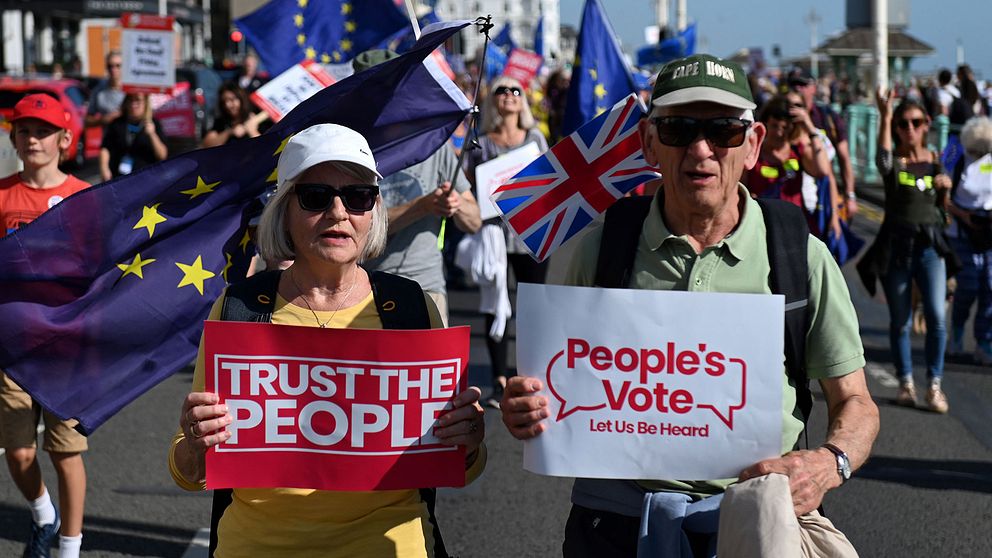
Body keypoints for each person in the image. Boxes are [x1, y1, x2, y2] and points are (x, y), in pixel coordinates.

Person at [500, 54, 879, 556]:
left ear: (753, 145)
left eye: (724, 130)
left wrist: (831, 463)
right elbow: (547, 391)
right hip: (618, 522)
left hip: (758, 521)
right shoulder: (600, 247)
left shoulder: (799, 255)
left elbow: (855, 400)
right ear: (649, 143)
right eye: (678, 129)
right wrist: (525, 409)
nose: (701, 150)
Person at [168, 123, 486, 557]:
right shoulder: (239, 307)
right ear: (284, 211)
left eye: (357, 197)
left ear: (373, 210)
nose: (339, 212)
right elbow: (189, 471)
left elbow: (460, 463)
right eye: (316, 197)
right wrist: (195, 441)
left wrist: (469, 441)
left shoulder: (412, 308)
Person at [0, 94, 92, 558]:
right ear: (13, 139)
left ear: (65, 139)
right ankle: (43, 516)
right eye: (23, 130)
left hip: (66, 348)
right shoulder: (1, 195)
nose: (32, 139)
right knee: (17, 452)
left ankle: (69, 549)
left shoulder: (83, 196)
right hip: (12, 347)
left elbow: (104, 264)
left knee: (65, 452)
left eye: (42, 131)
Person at [353, 50, 482, 325]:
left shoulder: (433, 145)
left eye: (393, 87)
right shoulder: (351, 151)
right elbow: (362, 231)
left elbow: (474, 222)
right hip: (363, 290)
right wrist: (423, 206)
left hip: (426, 287)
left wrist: (455, 205)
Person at [858, 90, 953, 413]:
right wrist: (885, 116)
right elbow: (881, 160)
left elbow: (945, 212)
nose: (909, 129)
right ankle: (906, 382)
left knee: (937, 318)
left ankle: (935, 385)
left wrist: (945, 191)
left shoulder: (937, 161)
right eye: (902, 124)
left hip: (929, 249)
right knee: (899, 321)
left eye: (915, 123)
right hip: (897, 249)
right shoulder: (894, 162)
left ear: (926, 124)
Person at [464, 75, 549, 408]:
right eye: (502, 90)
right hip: (495, 233)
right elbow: (471, 183)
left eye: (516, 91)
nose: (510, 95)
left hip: (532, 232)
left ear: (523, 101)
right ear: (492, 100)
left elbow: (548, 179)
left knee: (533, 306)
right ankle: (500, 379)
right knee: (496, 304)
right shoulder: (481, 142)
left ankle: (531, 375)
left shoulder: (535, 139)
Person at [743, 93, 834, 238]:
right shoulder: (753, 153)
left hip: (794, 227)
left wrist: (810, 128)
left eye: (785, 127)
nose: (779, 132)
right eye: (774, 126)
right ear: (765, 124)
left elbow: (823, 170)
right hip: (762, 227)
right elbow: (740, 187)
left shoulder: (798, 151)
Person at [946, 116, 992, 364]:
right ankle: (958, 328)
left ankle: (984, 341)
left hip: (988, 229)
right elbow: (942, 194)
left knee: (990, 287)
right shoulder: (957, 155)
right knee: (969, 286)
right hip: (961, 229)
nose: (980, 154)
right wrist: (964, 216)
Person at [789, 69, 858, 219]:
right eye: (793, 84)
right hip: (791, 195)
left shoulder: (827, 116)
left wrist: (850, 195)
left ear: (813, 88)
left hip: (823, 194)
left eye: (803, 84)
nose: (798, 89)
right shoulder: (782, 118)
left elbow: (844, 158)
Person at [99, 92, 167, 181]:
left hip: (146, 179)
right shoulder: (117, 123)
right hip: (119, 178)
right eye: (130, 100)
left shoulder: (153, 123)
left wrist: (152, 134)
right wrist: (104, 169)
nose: (133, 104)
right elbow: (105, 148)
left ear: (145, 103)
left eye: (138, 100)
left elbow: (162, 155)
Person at [201, 82, 262, 148]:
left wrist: (252, 131)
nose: (227, 105)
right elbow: (207, 145)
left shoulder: (255, 119)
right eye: (224, 101)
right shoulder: (221, 122)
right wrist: (229, 132)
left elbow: (265, 149)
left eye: (232, 100)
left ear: (241, 99)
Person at [85, 51, 125, 130]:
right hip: (108, 140)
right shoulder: (98, 91)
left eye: (118, 66)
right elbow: (87, 120)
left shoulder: (131, 90)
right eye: (110, 66)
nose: (113, 69)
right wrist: (103, 120)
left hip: (130, 139)